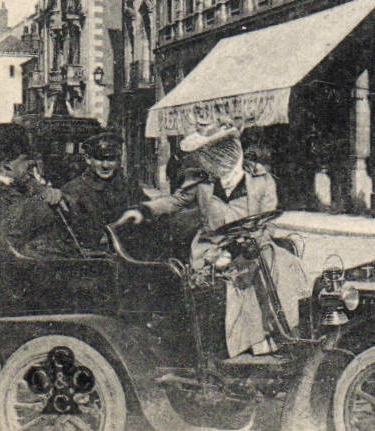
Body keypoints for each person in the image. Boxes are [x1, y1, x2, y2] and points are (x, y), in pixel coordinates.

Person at [115, 124, 306, 356]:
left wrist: (252, 243)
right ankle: (249, 344)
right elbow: (175, 201)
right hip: (212, 249)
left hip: (252, 245)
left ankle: (280, 334)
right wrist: (143, 211)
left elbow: (268, 221)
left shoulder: (261, 180)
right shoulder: (202, 181)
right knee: (229, 280)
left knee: (280, 264)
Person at [0, 123, 72, 273]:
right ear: (6, 165)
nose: (33, 170)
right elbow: (6, 234)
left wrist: (48, 192)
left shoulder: (16, 180)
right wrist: (42, 203)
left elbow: (35, 188)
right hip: (2, 275)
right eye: (27, 163)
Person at [60, 128, 143, 250]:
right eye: (99, 159)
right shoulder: (73, 190)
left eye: (111, 159)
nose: (105, 165)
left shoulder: (129, 187)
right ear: (88, 159)